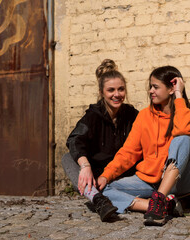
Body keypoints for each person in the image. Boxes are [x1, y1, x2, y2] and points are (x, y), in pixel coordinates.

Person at [97, 65, 190, 226]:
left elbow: (184, 131)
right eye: (151, 86)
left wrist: (179, 95)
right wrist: (106, 175)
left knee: (183, 140)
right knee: (103, 190)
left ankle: (159, 202)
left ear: (171, 88)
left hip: (178, 183)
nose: (151, 91)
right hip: (148, 182)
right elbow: (129, 152)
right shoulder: (144, 115)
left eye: (156, 87)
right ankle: (161, 205)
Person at [62, 59, 138, 222]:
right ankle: (99, 201)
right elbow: (75, 140)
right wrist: (85, 166)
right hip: (97, 177)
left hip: (123, 176)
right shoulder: (93, 116)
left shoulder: (132, 115)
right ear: (102, 92)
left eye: (121, 89)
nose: (116, 94)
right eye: (111, 90)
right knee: (67, 158)